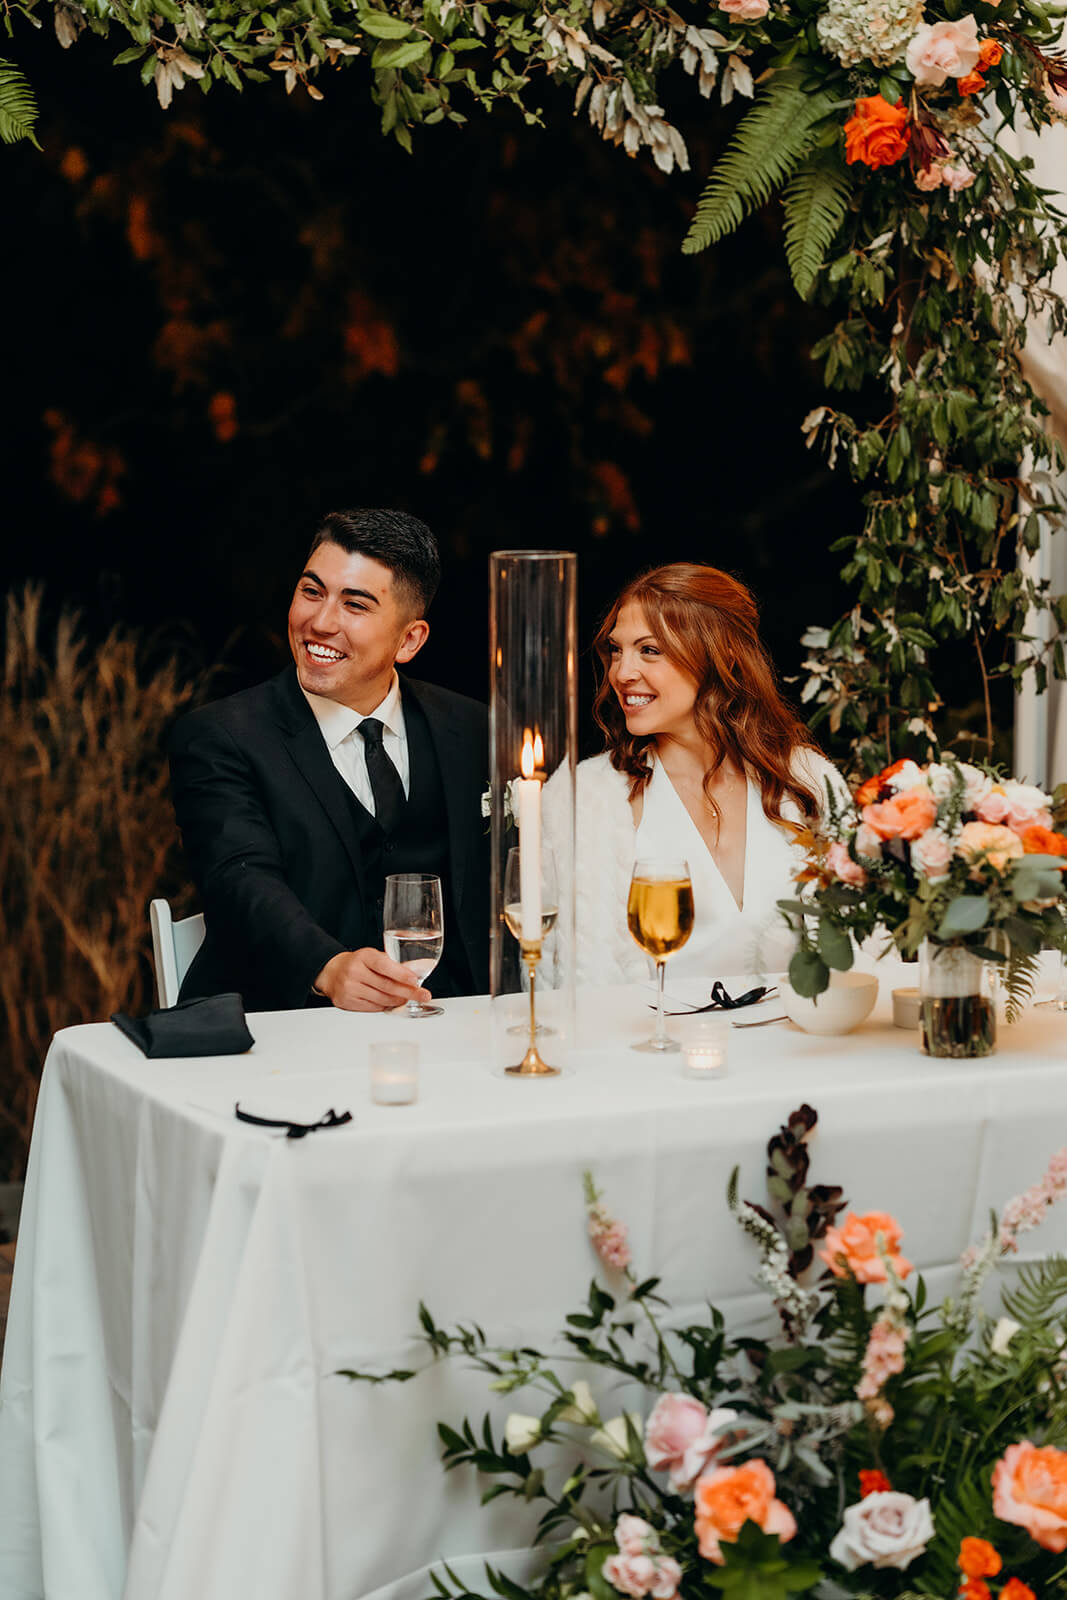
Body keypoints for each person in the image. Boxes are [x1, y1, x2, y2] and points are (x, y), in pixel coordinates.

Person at [169, 508, 489, 1011]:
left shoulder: (474, 731)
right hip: (276, 1028)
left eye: (355, 605)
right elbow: (238, 879)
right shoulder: (220, 736)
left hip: (451, 1027)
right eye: (311, 591)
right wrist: (326, 966)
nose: (320, 622)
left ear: (410, 640)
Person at [545, 562, 847, 985]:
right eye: (617, 649)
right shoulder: (584, 798)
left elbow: (863, 958)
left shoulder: (808, 782)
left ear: (718, 656)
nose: (621, 672)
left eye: (649, 650)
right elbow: (560, 984)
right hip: (648, 1046)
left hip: (800, 1044)